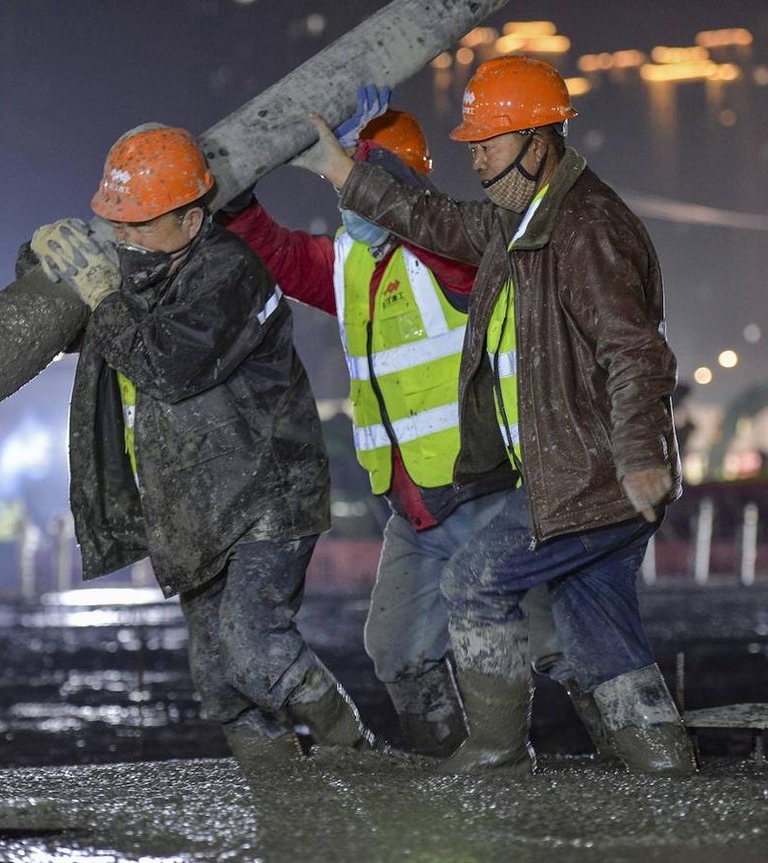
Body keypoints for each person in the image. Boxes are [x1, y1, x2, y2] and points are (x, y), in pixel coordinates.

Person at [292, 57, 696, 775]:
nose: (474, 160)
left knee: (477, 579)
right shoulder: (525, 222)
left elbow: (634, 350)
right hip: (581, 470)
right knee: (594, 633)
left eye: (489, 144)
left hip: (590, 474)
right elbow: (433, 218)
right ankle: (663, 768)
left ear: (539, 144)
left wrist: (639, 455)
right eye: (472, 145)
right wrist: (340, 170)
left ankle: (498, 752)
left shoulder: (585, 228)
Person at [219, 93, 615, 760]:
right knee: (397, 648)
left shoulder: (456, 253)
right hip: (417, 511)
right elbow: (280, 255)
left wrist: (364, 161)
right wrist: (233, 198)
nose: (350, 194)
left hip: (492, 490)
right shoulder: (352, 262)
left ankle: (630, 753)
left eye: (358, 177)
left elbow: (419, 218)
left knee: (559, 639)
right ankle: (450, 765)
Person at [19, 123, 381, 765]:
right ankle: (281, 795)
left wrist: (100, 289)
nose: (125, 240)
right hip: (192, 501)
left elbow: (164, 365)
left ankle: (351, 750)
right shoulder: (146, 267)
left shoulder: (227, 272)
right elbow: (74, 322)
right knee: (219, 681)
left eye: (139, 226)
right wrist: (39, 260)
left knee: (252, 643)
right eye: (116, 224)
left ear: (191, 220)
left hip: (266, 495)